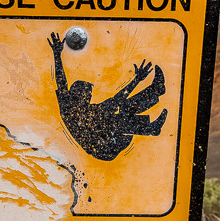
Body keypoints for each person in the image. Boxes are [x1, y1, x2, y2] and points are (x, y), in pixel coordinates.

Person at [48, 31, 168, 161]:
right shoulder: (71, 109)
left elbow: (116, 100)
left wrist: (137, 80)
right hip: (105, 148)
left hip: (108, 140)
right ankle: (150, 126)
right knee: (116, 115)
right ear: (79, 94)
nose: (89, 97)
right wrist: (56, 54)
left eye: (89, 94)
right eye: (87, 94)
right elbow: (61, 81)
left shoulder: (83, 110)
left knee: (118, 110)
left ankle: (156, 91)